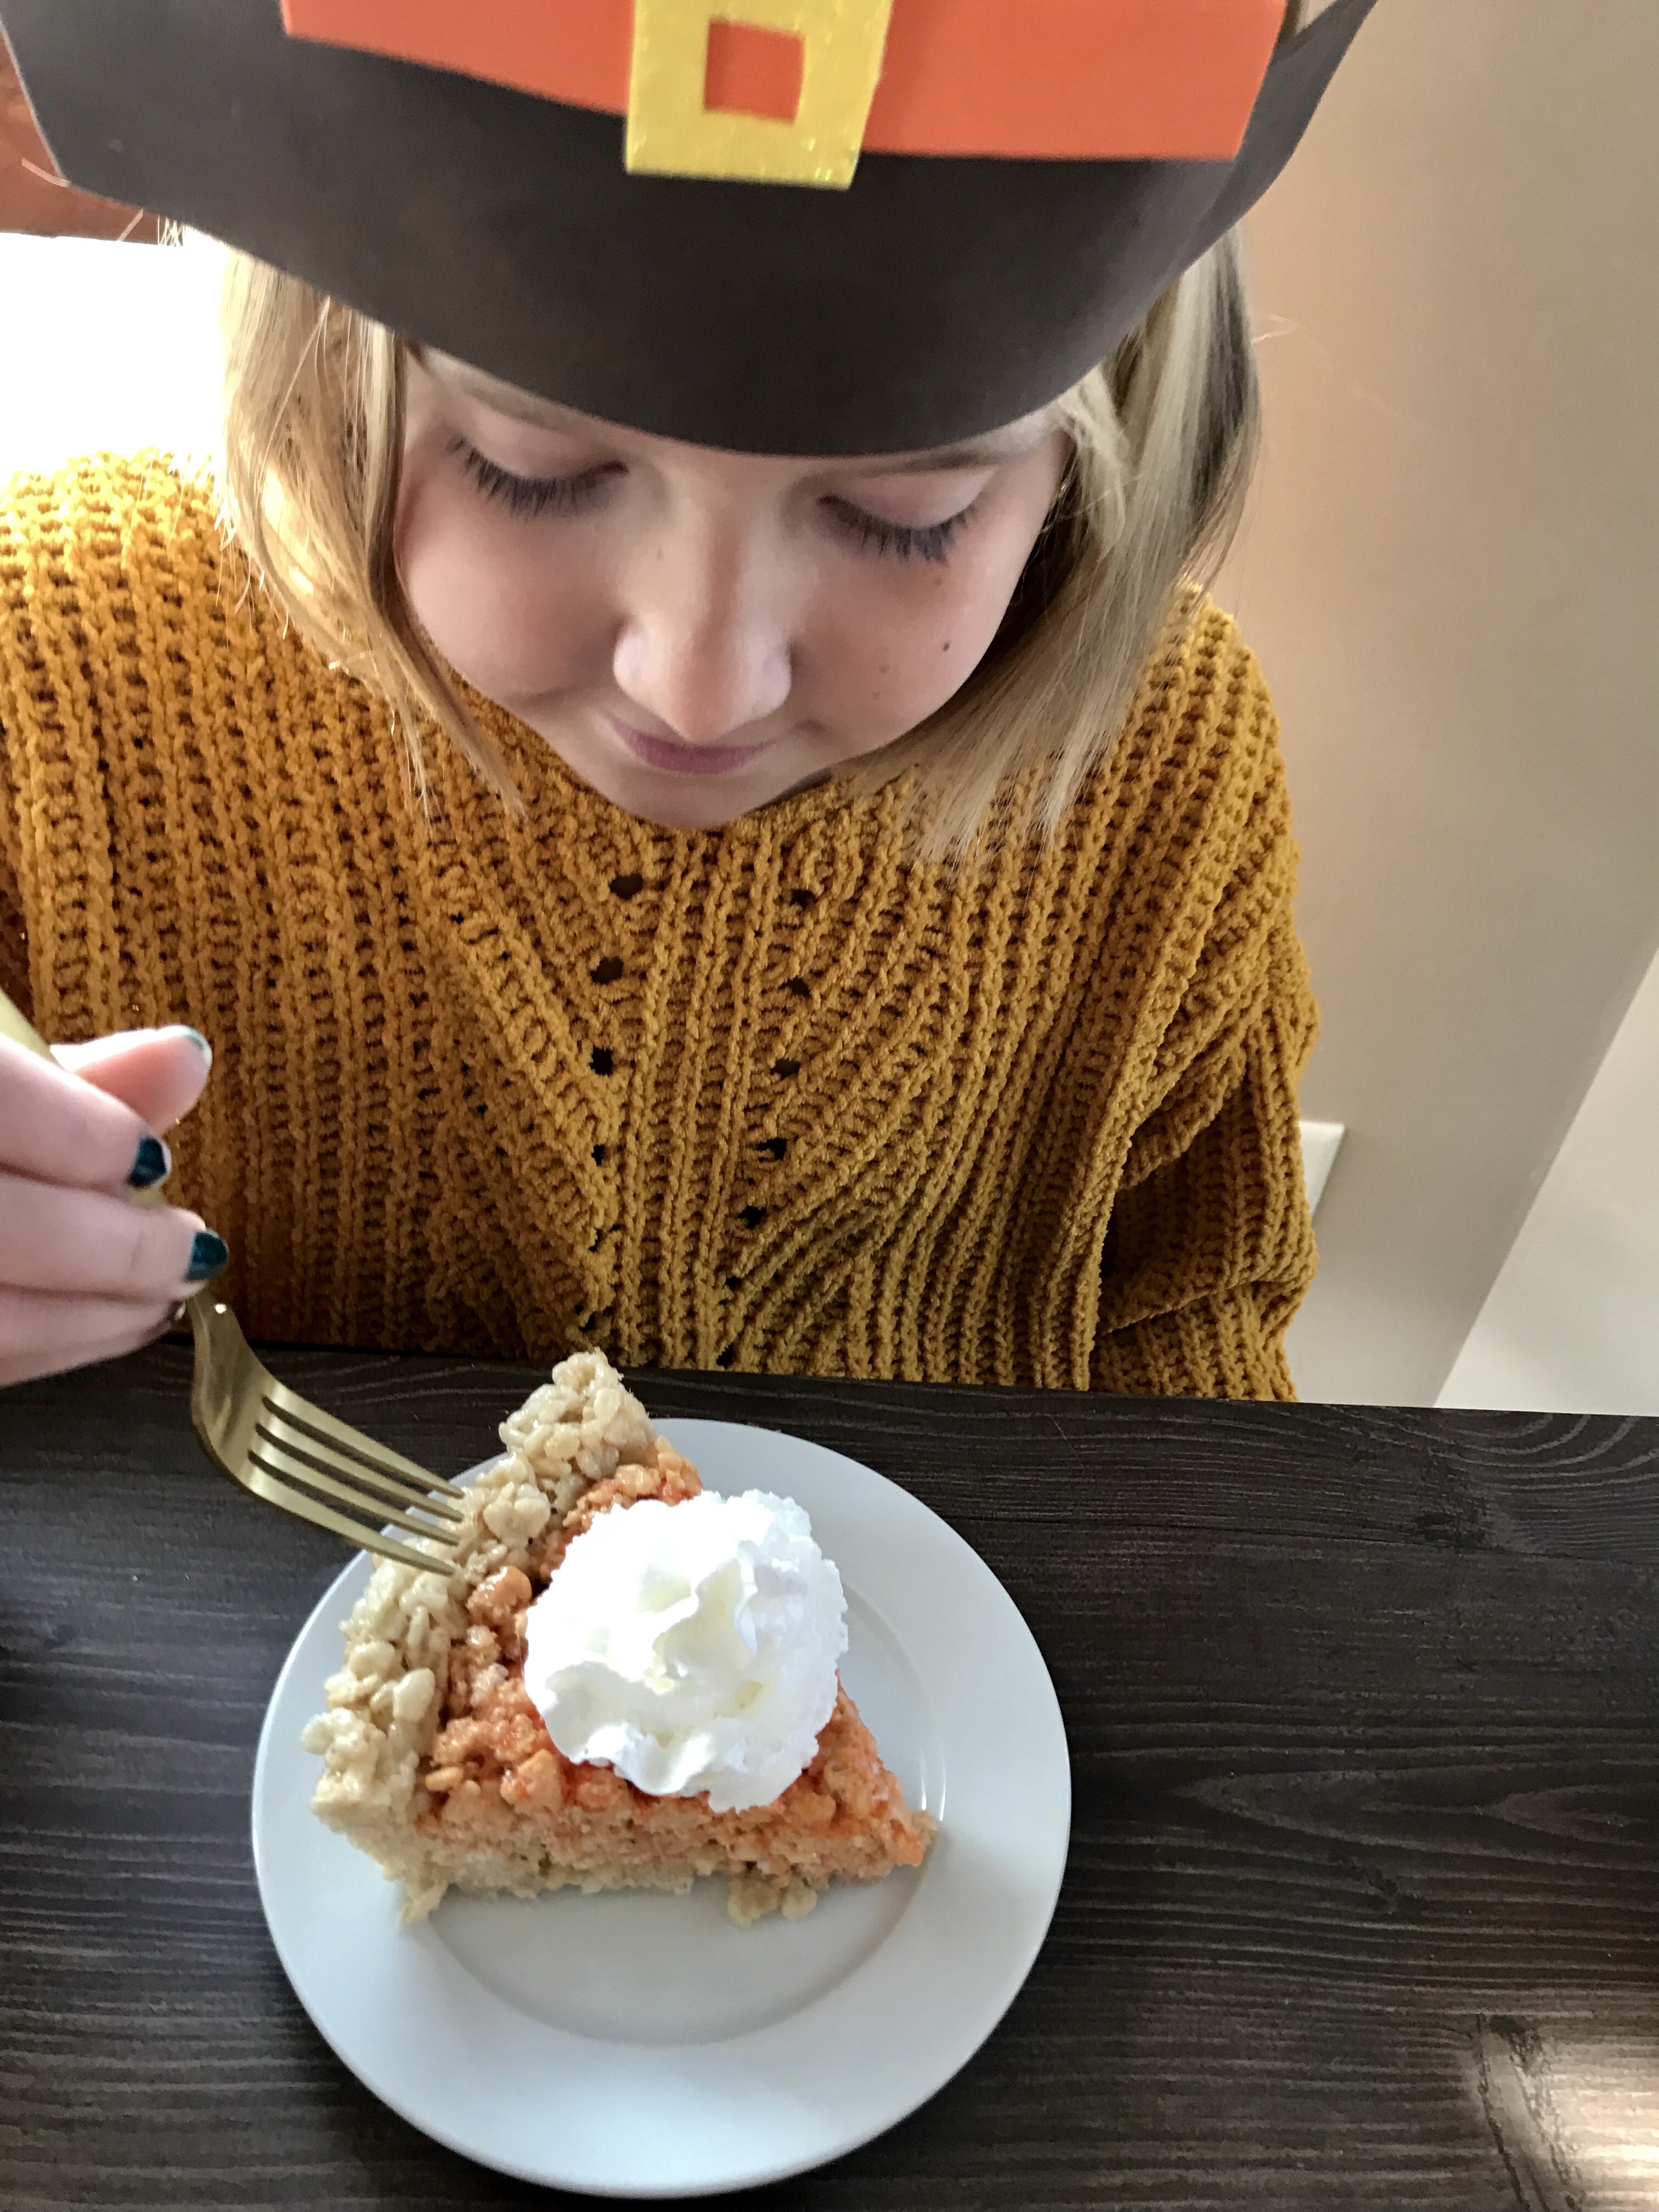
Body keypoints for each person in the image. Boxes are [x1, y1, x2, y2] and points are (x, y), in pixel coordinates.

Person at [0, 0, 1376, 1396]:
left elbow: (1192, 1317)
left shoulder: (1167, 767)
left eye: (908, 514)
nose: (702, 683)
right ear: (319, 361)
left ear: (1102, 456)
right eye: (527, 469)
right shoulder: (49, 664)